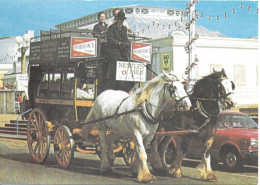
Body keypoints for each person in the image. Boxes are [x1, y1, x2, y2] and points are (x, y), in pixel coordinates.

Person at [105, 11, 133, 92]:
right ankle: (114, 81)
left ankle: (127, 85)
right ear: (117, 19)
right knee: (116, 60)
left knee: (128, 61)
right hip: (113, 50)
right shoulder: (111, 28)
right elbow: (110, 39)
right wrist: (118, 43)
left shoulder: (124, 28)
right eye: (120, 19)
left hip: (122, 50)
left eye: (122, 20)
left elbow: (125, 39)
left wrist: (127, 43)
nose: (121, 21)